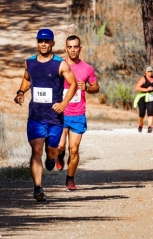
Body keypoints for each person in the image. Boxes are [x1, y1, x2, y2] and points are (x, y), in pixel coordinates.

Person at [14, 28, 77, 202]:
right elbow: (27, 79)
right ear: (37, 43)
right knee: (36, 150)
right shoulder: (30, 63)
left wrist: (64, 103)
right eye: (40, 41)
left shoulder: (60, 64)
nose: (43, 44)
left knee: (51, 152)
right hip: (36, 116)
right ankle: (38, 188)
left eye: (46, 41)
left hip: (54, 118)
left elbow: (73, 85)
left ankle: (52, 158)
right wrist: (21, 92)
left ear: (52, 43)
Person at [56, 35, 100, 191]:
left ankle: (70, 178)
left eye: (76, 47)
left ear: (80, 48)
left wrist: (86, 88)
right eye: (70, 47)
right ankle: (59, 155)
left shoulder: (87, 68)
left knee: (74, 150)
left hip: (77, 114)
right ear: (66, 48)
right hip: (61, 113)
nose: (73, 50)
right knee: (60, 145)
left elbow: (96, 87)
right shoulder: (59, 66)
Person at [133, 66, 153, 133]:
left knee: (150, 112)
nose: (150, 72)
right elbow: (137, 88)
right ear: (145, 72)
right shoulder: (143, 79)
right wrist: (146, 89)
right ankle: (140, 124)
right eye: (148, 71)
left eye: (151, 71)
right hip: (142, 96)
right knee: (142, 113)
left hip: (152, 97)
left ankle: (150, 127)